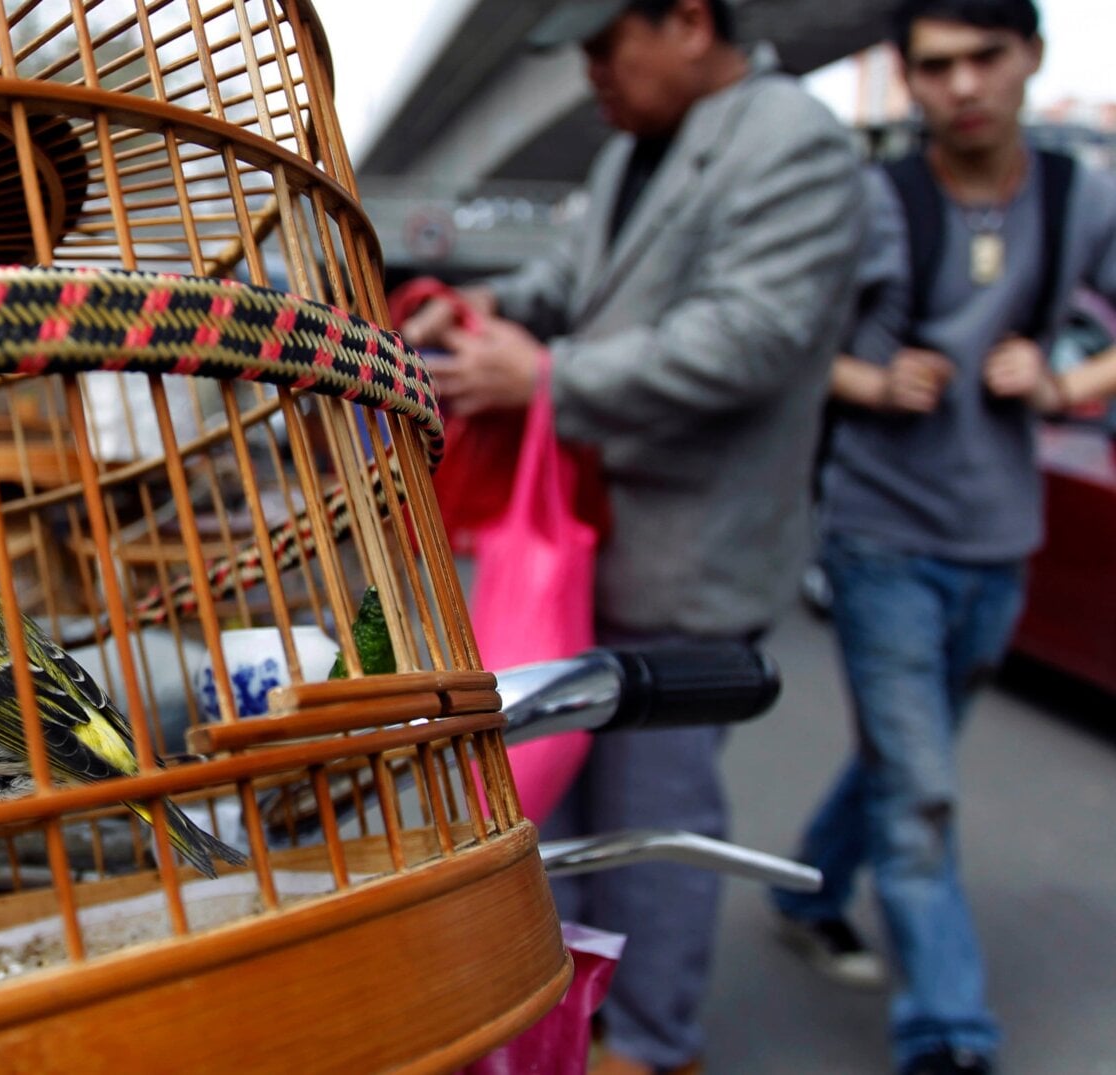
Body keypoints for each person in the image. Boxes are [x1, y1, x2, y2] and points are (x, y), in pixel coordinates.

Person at [401, 2, 865, 1072]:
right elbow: (564, 288)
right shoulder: (633, 155)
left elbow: (747, 340)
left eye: (607, 45)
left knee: (653, 813)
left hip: (687, 552)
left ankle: (654, 1042)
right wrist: (473, 311)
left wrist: (548, 379)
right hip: (591, 544)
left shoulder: (792, 140)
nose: (591, 74)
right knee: (566, 806)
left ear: (690, 21)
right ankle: (585, 1014)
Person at [769, 2, 1116, 1074]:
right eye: (934, 67)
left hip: (1000, 533)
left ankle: (811, 882)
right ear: (908, 82)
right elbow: (777, 336)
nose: (960, 85)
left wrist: (1064, 383)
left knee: (907, 757)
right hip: (881, 537)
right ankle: (949, 1033)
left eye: (983, 60)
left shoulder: (1077, 195)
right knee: (919, 783)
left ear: (1030, 62)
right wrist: (872, 379)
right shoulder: (874, 203)